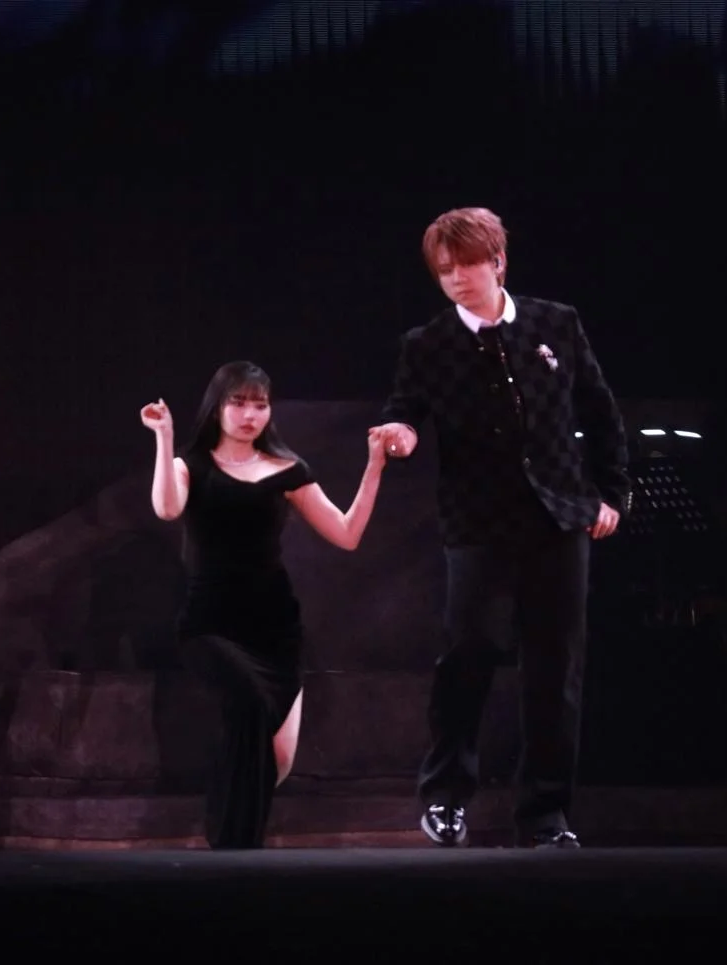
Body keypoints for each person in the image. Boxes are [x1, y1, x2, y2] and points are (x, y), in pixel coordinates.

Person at [372, 207, 630, 849]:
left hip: (558, 516)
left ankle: (545, 815)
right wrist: (400, 434)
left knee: (555, 668)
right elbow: (404, 411)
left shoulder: (555, 323)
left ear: (498, 262)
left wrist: (610, 495)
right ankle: (446, 798)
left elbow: (599, 411)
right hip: (478, 523)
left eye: (467, 265)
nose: (457, 278)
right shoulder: (427, 344)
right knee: (468, 654)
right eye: (444, 270)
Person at [141, 360, 389, 849]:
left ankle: (235, 849)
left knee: (278, 762)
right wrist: (164, 438)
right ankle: (234, 849)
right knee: (249, 704)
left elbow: (346, 534)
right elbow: (167, 508)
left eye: (259, 404)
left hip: (275, 628)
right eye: (238, 402)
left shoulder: (288, 470)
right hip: (210, 623)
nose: (249, 414)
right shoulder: (191, 465)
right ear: (217, 407)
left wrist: (375, 466)